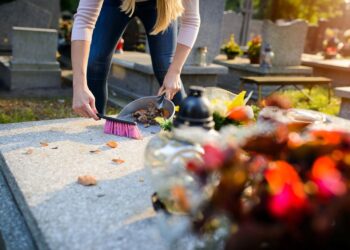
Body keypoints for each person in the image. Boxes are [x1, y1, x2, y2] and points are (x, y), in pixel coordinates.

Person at [71, 0, 200, 120]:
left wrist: (175, 72)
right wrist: (79, 86)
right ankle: (93, 125)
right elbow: (84, 21)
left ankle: (187, 124)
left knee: (166, 66)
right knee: (95, 61)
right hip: (114, 3)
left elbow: (191, 21)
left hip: (161, 5)